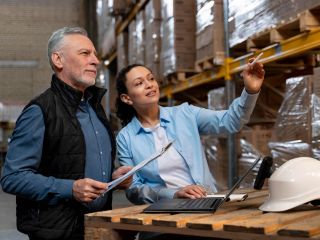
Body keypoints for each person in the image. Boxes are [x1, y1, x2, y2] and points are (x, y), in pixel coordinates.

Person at [0, 27, 133, 240]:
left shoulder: (95, 108)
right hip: (58, 231)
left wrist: (113, 178)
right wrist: (70, 188)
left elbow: (76, 162)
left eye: (95, 54)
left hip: (97, 226)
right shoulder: (40, 110)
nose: (95, 61)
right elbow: (12, 177)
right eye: (85, 53)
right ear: (58, 60)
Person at [115, 61, 265, 205]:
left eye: (151, 79)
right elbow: (133, 189)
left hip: (206, 202)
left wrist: (250, 91)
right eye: (139, 83)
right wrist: (174, 193)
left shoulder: (185, 114)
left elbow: (231, 121)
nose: (149, 85)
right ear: (127, 98)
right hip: (162, 210)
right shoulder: (125, 138)